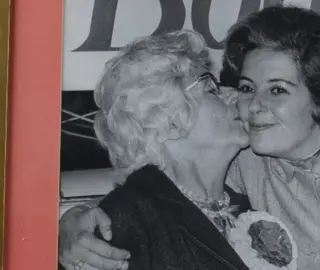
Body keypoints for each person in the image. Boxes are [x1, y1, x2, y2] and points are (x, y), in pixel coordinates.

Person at [59, 6, 320, 270]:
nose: (247, 103)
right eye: (243, 87)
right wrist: (68, 224)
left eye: (277, 90)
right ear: (170, 120)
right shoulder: (245, 166)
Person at [59, 30, 251, 270]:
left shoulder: (246, 204)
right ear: (169, 121)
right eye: (211, 88)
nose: (233, 95)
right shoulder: (123, 223)